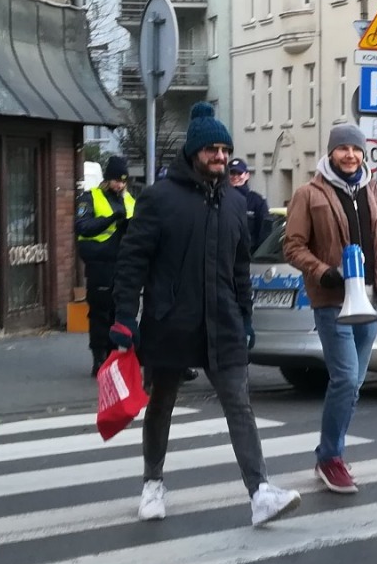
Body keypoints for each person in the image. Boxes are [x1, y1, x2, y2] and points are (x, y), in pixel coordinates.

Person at [111, 102, 301, 527]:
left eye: (224, 149)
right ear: (194, 152)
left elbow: (239, 268)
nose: (219, 156)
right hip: (171, 321)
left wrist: (246, 316)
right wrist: (126, 317)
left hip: (224, 322)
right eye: (211, 149)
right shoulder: (159, 199)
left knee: (239, 404)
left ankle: (260, 493)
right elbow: (132, 261)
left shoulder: (234, 203)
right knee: (162, 403)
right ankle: (152, 484)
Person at [283, 123, 377, 494]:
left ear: (364, 154)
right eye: (343, 149)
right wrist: (323, 272)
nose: (350, 155)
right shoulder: (308, 194)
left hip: (370, 300)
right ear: (331, 153)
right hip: (333, 301)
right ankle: (330, 457)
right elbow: (293, 246)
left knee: (354, 384)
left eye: (356, 149)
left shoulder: (375, 191)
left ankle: (330, 454)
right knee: (345, 379)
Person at [75, 155, 133, 377]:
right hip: (100, 264)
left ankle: (113, 356)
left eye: (123, 180)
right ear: (107, 179)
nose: (120, 184)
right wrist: (110, 219)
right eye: (116, 180)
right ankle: (99, 357)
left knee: (119, 313)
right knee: (100, 313)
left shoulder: (129, 201)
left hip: (124, 265)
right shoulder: (90, 197)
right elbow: (83, 226)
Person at [228, 157, 271, 252]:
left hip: (249, 256)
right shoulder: (219, 198)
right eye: (232, 173)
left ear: (247, 175)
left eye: (239, 173)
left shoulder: (257, 201)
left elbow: (264, 233)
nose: (235, 176)